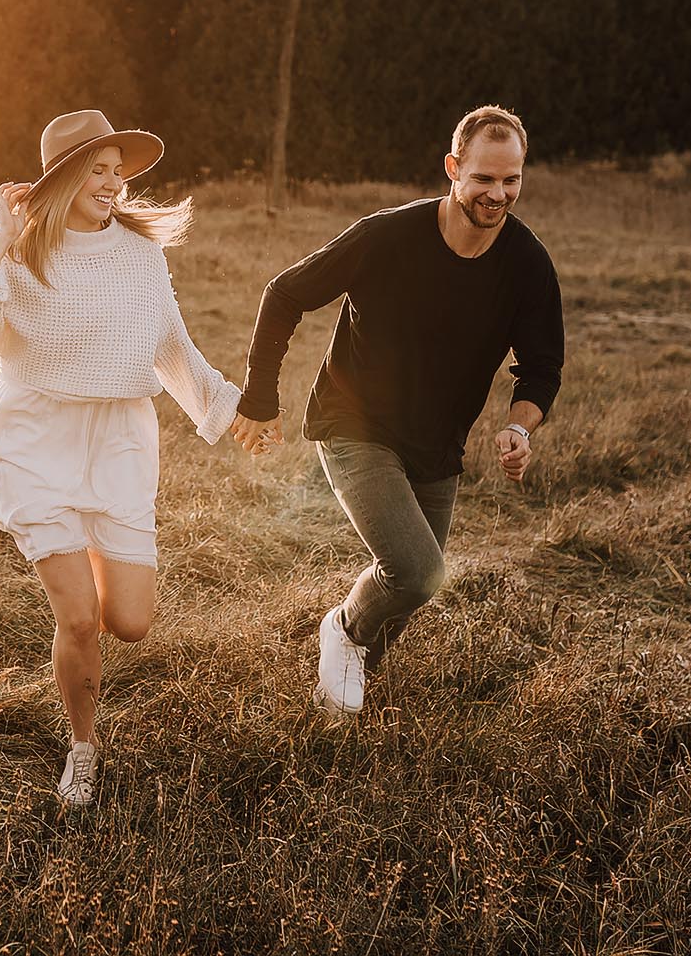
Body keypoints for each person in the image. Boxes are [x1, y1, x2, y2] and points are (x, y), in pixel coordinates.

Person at [0, 109, 242, 806]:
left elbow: (171, 346)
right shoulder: (20, 245)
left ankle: (85, 629)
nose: (112, 181)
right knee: (79, 617)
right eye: (96, 169)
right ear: (63, 177)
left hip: (119, 442)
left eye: (116, 170)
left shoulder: (139, 254)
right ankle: (83, 745)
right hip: (35, 437)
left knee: (130, 619)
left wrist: (228, 409)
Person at [227, 105, 564, 719]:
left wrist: (519, 424)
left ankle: (346, 685)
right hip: (356, 423)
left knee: (414, 586)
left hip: (436, 442)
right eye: (484, 178)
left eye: (511, 179)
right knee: (417, 569)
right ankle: (345, 632)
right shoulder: (387, 236)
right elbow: (285, 293)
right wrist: (259, 397)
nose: (498, 193)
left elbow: (542, 366)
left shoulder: (526, 263)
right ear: (453, 169)